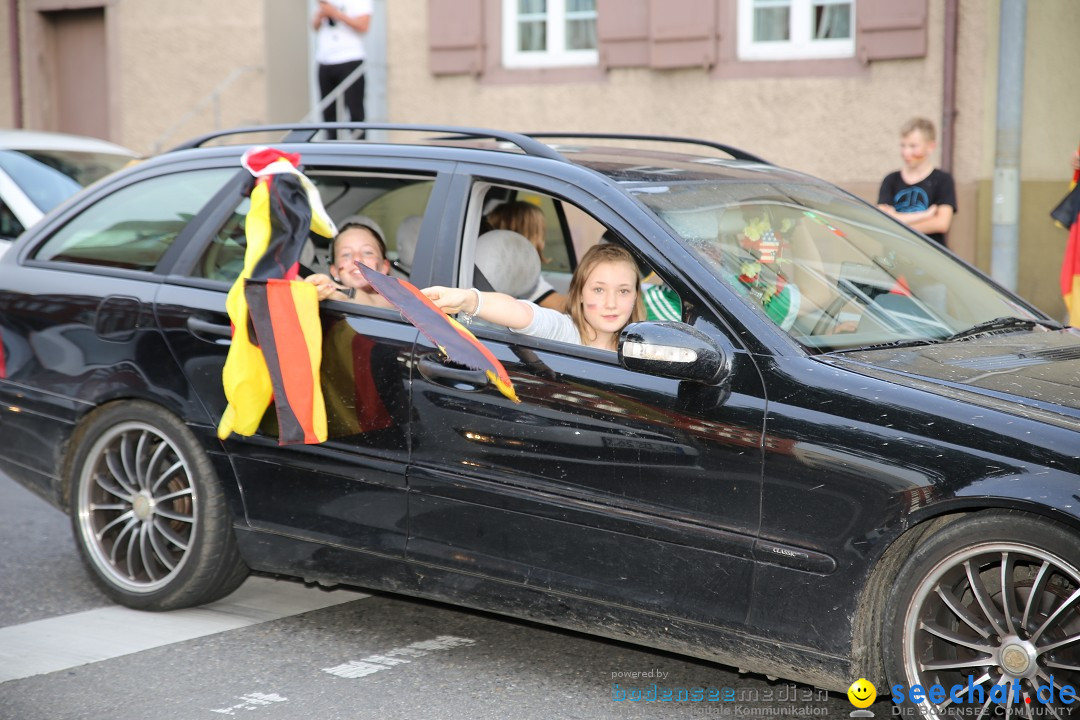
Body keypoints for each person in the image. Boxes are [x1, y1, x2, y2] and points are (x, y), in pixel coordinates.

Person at [424, 243, 645, 352]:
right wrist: (468, 300)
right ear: (578, 295)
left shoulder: (644, 346)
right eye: (598, 290)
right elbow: (522, 314)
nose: (611, 303)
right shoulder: (566, 331)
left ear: (635, 296)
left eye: (623, 291)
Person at [877, 117, 957, 247]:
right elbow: (882, 220)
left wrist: (897, 220)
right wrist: (924, 215)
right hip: (895, 257)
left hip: (929, 258)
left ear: (931, 147)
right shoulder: (891, 180)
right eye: (903, 145)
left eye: (913, 146)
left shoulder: (943, 180)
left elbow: (941, 224)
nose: (906, 152)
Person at [485, 201, 566, 310]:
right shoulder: (524, 275)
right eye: (540, 233)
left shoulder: (482, 266)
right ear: (533, 237)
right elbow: (561, 305)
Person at [312, 0, 372, 136]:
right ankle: (331, 150)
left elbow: (364, 26)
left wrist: (336, 14)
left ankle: (358, 150)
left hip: (350, 58)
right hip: (325, 59)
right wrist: (321, 14)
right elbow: (315, 27)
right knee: (328, 112)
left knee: (355, 110)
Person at [305, 219, 393, 308]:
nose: (357, 259)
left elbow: (373, 302)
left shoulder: (400, 300)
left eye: (367, 252)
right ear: (334, 271)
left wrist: (332, 289)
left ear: (384, 267)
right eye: (346, 254)